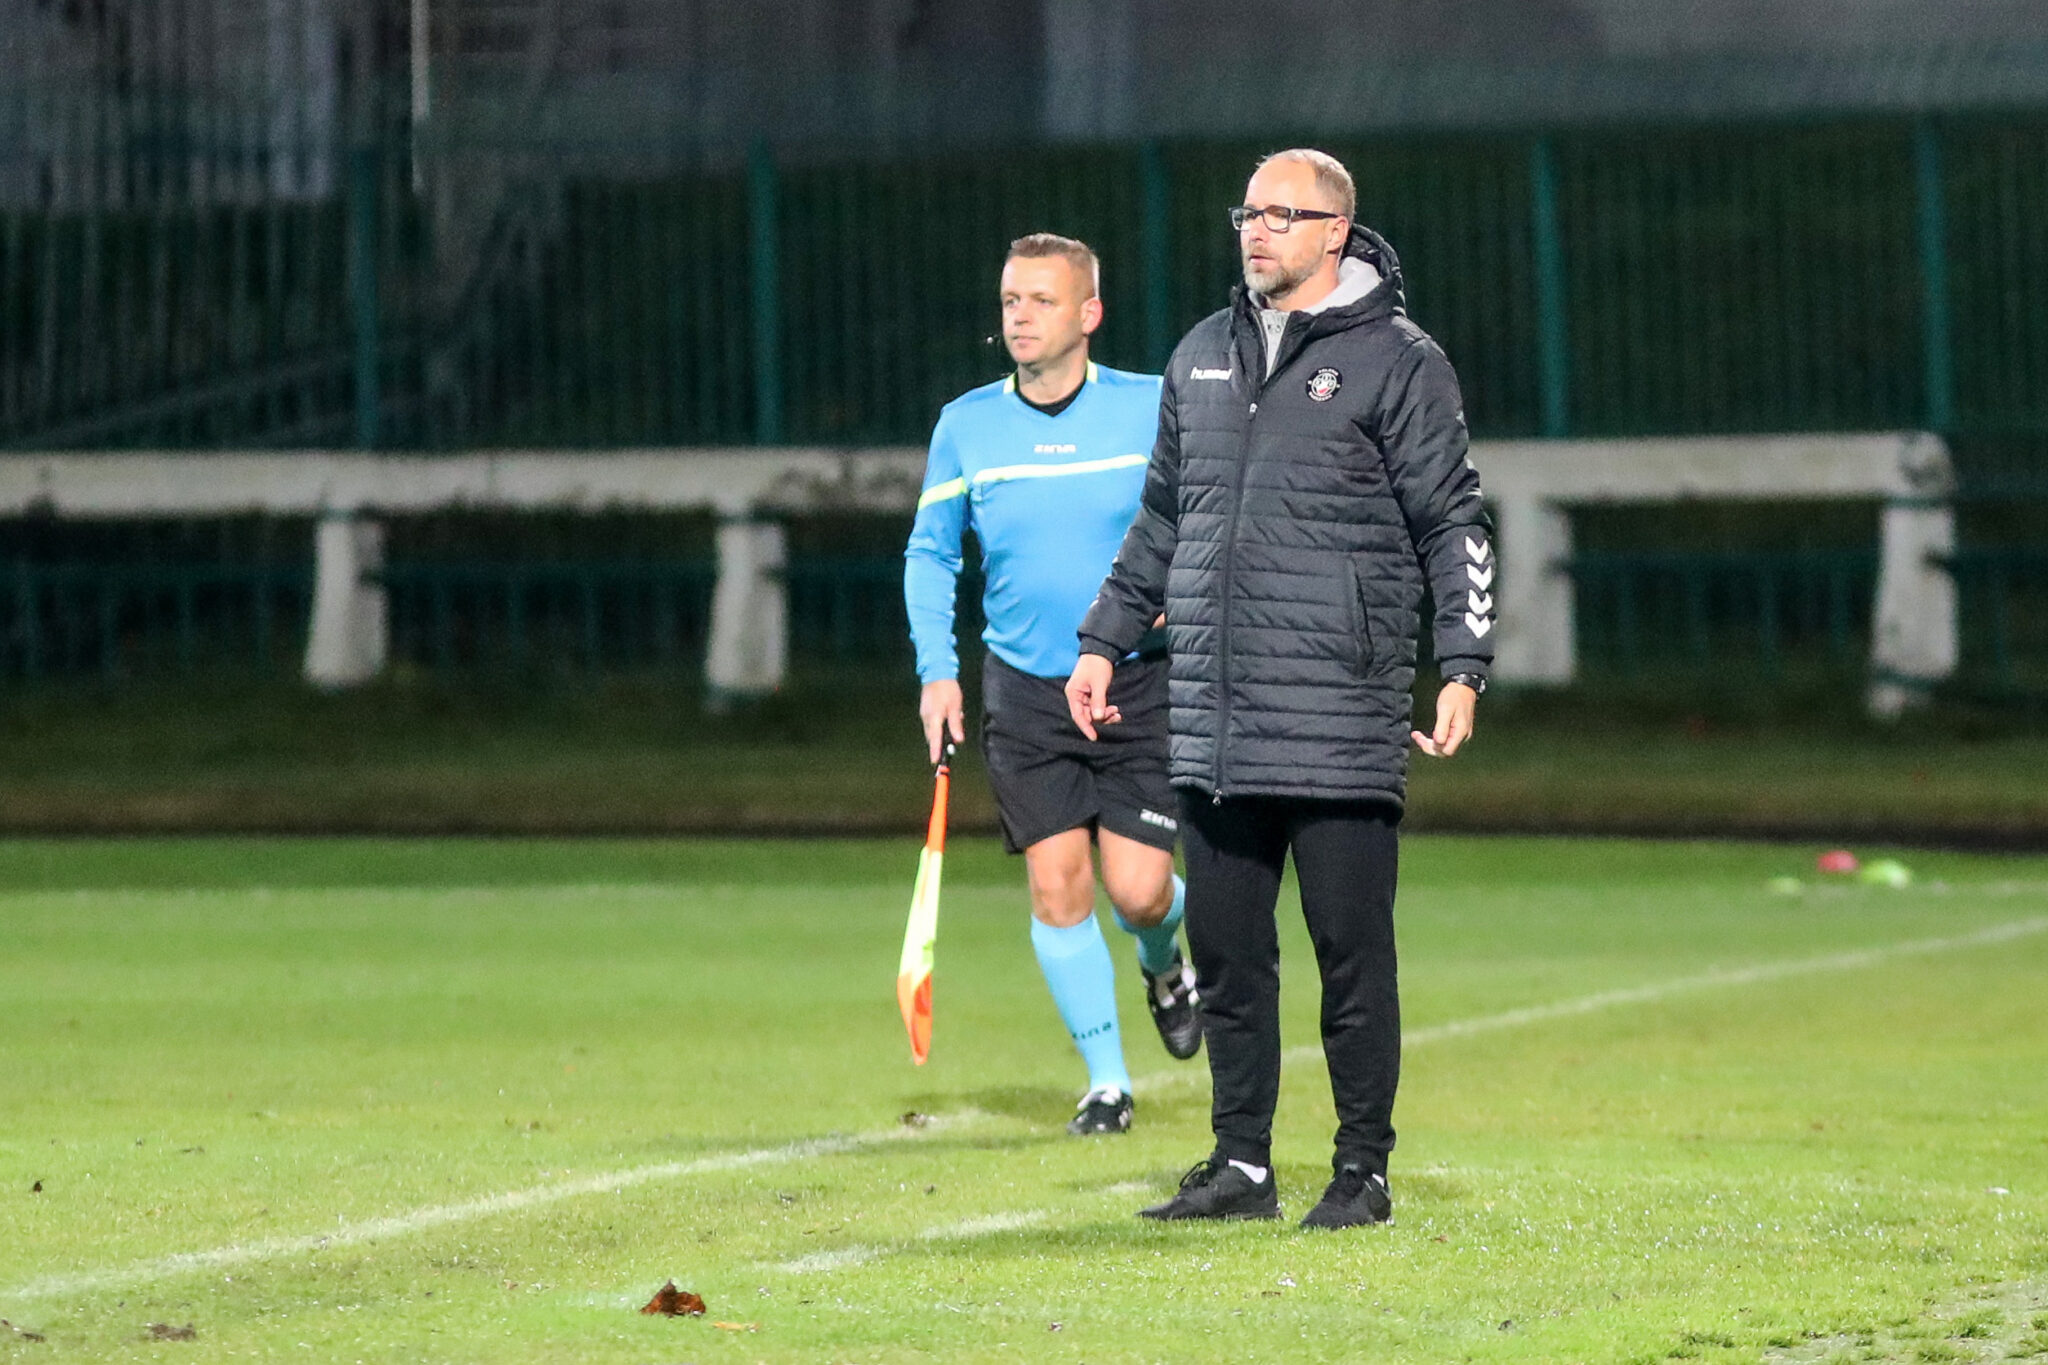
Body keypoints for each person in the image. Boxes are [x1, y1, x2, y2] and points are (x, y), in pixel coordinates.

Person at [1065, 150, 1495, 1226]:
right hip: (1214, 714)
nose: (1255, 231)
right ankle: (1241, 1166)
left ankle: (1361, 1172)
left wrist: (1462, 663)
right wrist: (1100, 641)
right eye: (1247, 212)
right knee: (1225, 956)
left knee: (1349, 957)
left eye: (1281, 214)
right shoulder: (1200, 355)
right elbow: (1164, 519)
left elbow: (1453, 521)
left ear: (1334, 234)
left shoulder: (1401, 361)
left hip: (1338, 712)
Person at [903, 232, 1202, 1136]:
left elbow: (1210, 523)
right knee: (1058, 887)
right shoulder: (967, 424)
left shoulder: (1154, 408)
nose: (1020, 316)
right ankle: (1106, 1082)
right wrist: (937, 672)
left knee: (1139, 890)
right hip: (1027, 690)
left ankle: (1166, 962)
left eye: (1040, 300)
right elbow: (929, 553)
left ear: (1089, 314)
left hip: (1138, 685)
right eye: (1009, 301)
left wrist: (1174, 603)